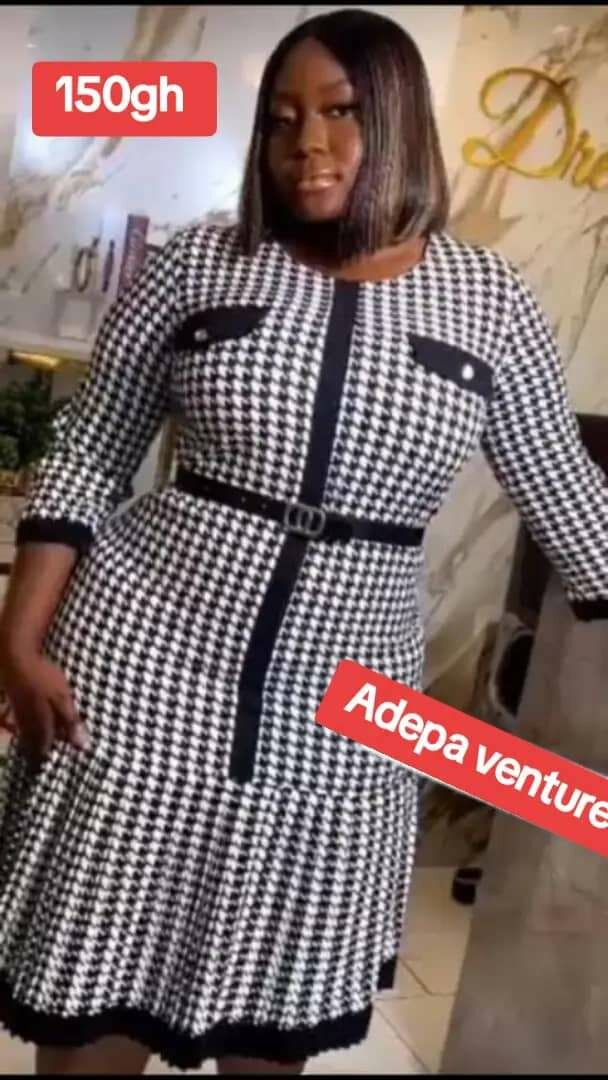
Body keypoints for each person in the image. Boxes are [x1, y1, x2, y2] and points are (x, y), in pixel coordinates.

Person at [0, 6, 607, 1076]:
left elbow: (568, 495)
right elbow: (90, 450)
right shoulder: (201, 262)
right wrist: (18, 639)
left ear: (400, 120)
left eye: (339, 112)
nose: (306, 143)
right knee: (97, 1001)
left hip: (345, 706)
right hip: (141, 668)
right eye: (282, 119)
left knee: (274, 1013)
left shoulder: (487, 301)